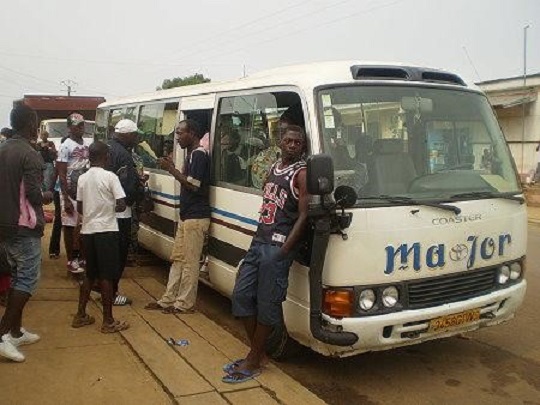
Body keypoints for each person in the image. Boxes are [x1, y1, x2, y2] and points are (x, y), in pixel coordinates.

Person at [222, 125, 309, 383]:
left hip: (277, 246)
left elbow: (305, 214)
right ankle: (258, 353)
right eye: (289, 141)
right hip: (259, 241)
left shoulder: (301, 173)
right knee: (241, 295)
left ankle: (254, 357)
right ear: (280, 143)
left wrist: (284, 249)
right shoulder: (273, 168)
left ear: (302, 147)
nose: (293, 145)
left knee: (267, 303)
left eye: (298, 142)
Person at [0, 104, 53, 362]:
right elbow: (33, 194)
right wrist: (47, 196)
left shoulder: (3, 148)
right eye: (35, 122)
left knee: (16, 276)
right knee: (27, 281)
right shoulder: (30, 154)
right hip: (24, 226)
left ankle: (16, 331)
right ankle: (1, 336)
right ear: (30, 124)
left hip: (5, 224)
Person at [144, 119, 210, 314]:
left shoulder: (199, 155)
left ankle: (184, 304)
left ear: (193, 133)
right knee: (178, 260)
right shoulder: (191, 155)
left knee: (189, 263)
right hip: (187, 216)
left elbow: (193, 185)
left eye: (181, 133)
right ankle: (168, 299)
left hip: (195, 217)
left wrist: (171, 170)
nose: (178, 137)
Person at [71, 141, 130, 333]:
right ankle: (108, 321)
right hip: (106, 230)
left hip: (88, 230)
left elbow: (79, 207)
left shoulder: (83, 178)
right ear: (105, 157)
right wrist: (108, 207)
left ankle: (80, 314)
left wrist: (92, 210)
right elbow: (121, 205)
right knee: (106, 276)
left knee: (90, 274)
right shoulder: (110, 177)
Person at [106, 119, 144, 306]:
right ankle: (112, 294)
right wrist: (139, 189)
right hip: (121, 213)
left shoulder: (106, 148)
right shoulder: (124, 155)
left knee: (105, 255)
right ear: (127, 135)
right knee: (118, 256)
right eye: (135, 135)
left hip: (103, 211)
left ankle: (105, 290)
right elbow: (128, 188)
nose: (136, 139)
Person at [56, 113, 89, 274]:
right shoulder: (65, 146)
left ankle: (82, 257)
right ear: (69, 128)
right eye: (78, 126)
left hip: (83, 191)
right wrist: (65, 198)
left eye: (83, 125)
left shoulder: (87, 144)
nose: (82, 128)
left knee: (82, 225)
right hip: (70, 192)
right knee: (69, 225)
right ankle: (71, 259)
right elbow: (61, 173)